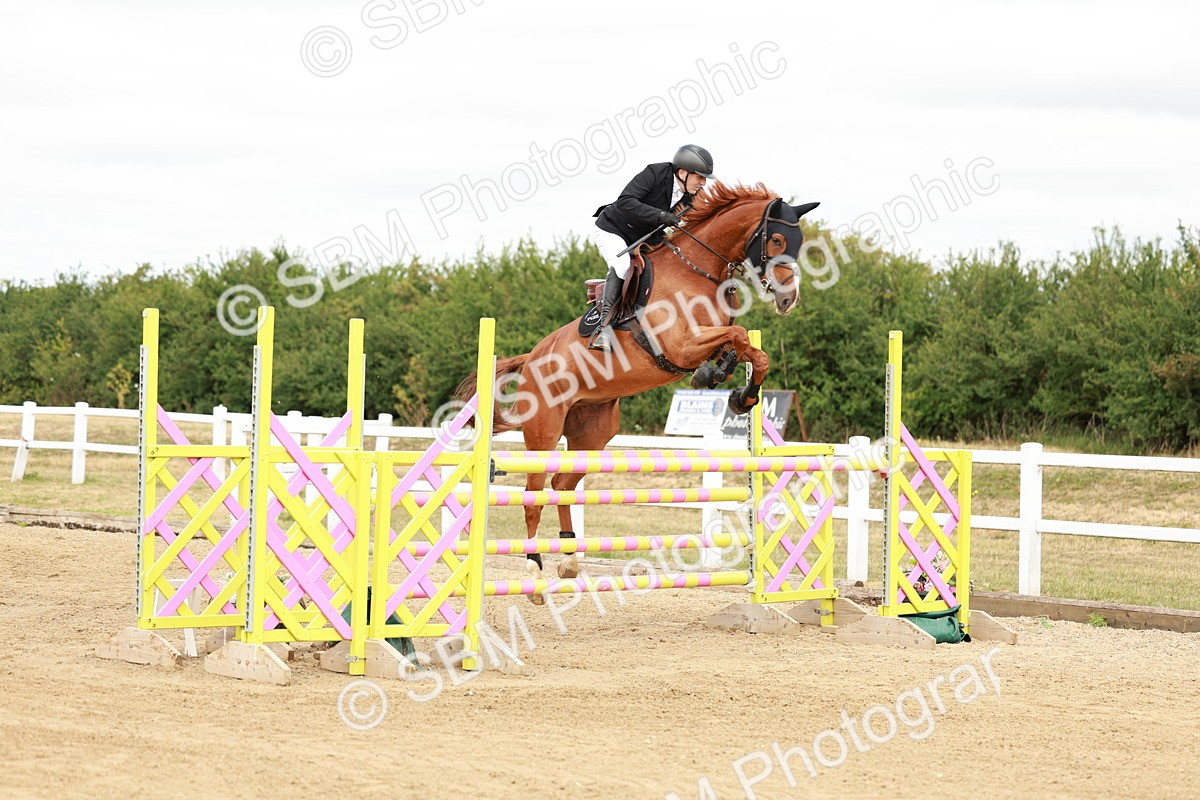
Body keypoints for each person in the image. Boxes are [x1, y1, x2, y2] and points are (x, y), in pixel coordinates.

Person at [588, 144, 715, 351]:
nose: (703, 183)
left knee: (673, 263)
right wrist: (660, 216)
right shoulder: (655, 173)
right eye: (699, 177)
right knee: (622, 266)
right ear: (682, 173)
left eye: (704, 179)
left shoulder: (693, 196)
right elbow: (625, 201)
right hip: (614, 229)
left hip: (647, 235)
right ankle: (603, 330)